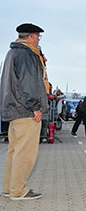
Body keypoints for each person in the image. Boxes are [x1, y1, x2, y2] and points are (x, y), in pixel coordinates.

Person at [0, 23, 48, 200]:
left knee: (14, 151)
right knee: (25, 153)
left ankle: (9, 188)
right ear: (32, 37)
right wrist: (35, 106)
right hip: (26, 111)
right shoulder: (26, 54)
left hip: (13, 110)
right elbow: (28, 84)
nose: (38, 41)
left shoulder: (12, 52)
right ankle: (19, 190)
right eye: (38, 38)